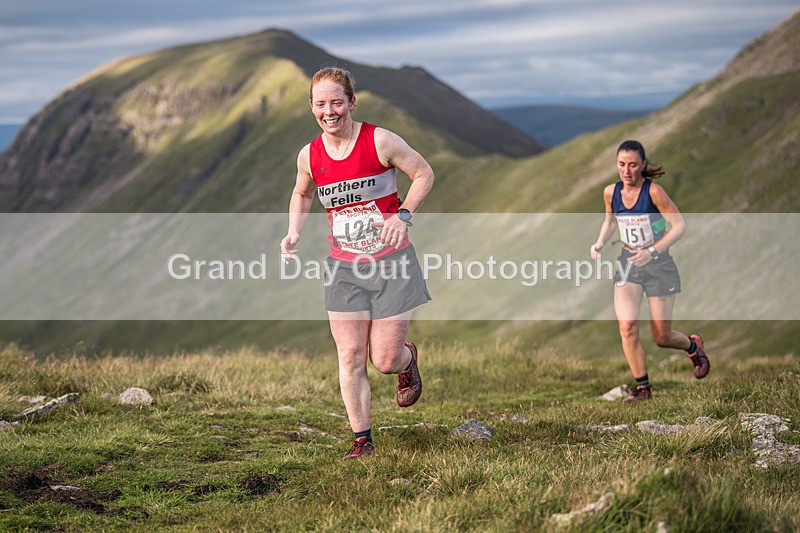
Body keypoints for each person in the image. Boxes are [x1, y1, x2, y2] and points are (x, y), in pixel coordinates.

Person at [280, 67, 434, 458]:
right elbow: (302, 193)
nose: (329, 112)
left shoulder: (379, 140)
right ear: (312, 108)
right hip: (343, 268)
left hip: (391, 264)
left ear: (351, 102)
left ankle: (407, 358)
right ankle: (362, 440)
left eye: (336, 102)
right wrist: (294, 230)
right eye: (320, 104)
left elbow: (423, 173)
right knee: (349, 355)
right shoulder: (309, 155)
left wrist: (403, 216)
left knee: (383, 360)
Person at [590, 140, 709, 403]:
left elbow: (679, 226)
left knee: (661, 337)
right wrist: (599, 242)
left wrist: (652, 251)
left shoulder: (654, 192)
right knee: (627, 326)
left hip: (659, 266)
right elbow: (610, 221)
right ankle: (643, 388)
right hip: (628, 262)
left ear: (643, 164)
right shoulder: (611, 192)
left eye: (632, 164)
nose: (627, 170)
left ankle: (692, 346)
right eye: (621, 164)